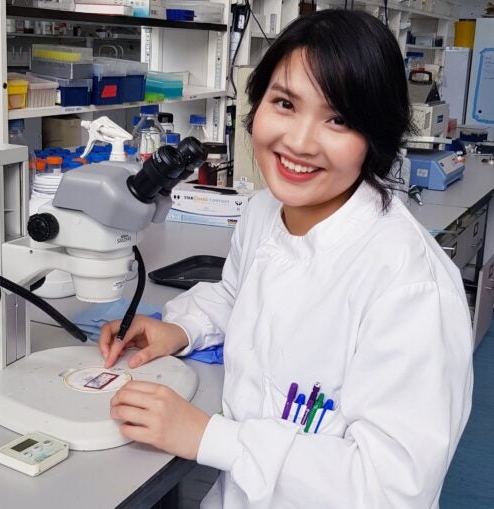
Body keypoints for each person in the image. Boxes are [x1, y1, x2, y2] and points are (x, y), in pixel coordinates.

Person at [99, 9, 473, 508]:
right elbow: (240, 293)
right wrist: (183, 327)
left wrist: (210, 438)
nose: (298, 142)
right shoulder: (264, 210)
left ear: (375, 137)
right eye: (284, 103)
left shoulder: (411, 286)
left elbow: (389, 488)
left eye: (338, 119)